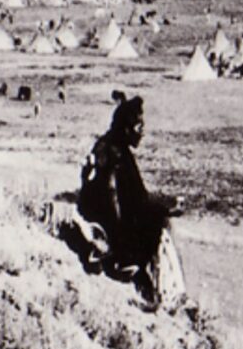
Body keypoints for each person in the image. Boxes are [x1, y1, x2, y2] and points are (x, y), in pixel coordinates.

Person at [76, 95, 185, 309]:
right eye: (138, 126)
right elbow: (116, 200)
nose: (142, 132)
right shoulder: (116, 155)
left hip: (110, 228)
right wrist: (165, 208)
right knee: (162, 227)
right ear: (126, 128)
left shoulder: (108, 146)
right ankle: (169, 296)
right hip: (116, 236)